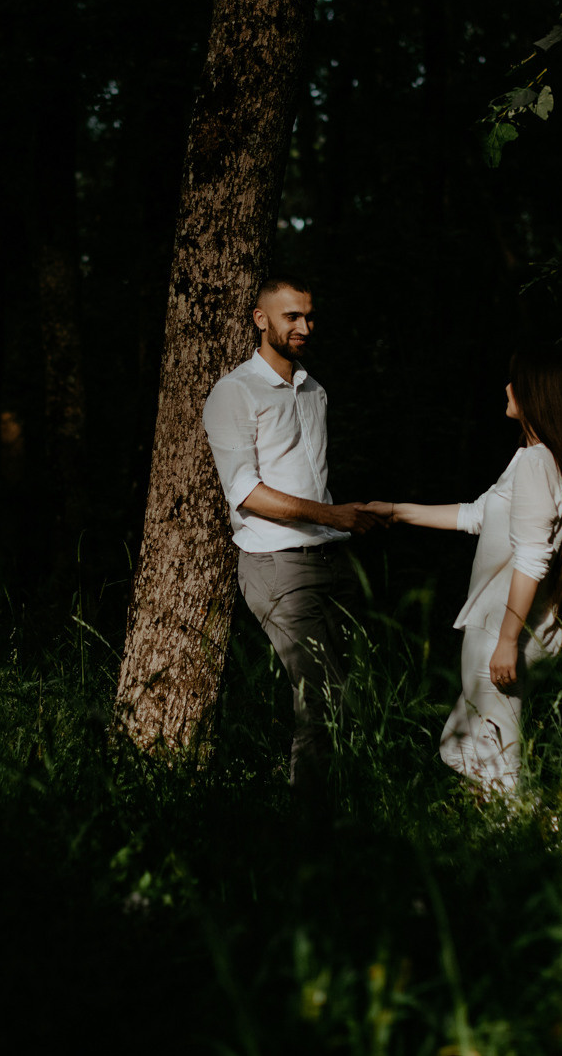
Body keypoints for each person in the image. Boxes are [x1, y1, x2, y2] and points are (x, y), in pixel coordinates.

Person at [363, 348, 562, 793]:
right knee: (478, 751)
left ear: (535, 394)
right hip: (510, 629)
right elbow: (475, 515)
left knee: (497, 768)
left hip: (505, 632)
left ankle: (513, 852)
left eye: (515, 381)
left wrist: (506, 641)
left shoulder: (535, 463)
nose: (506, 388)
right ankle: (491, 852)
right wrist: (395, 511)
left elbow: (531, 558)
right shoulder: (536, 459)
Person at [203, 275, 382, 798]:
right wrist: (332, 515)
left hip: (332, 559)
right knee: (321, 701)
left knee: (357, 693)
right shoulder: (235, 392)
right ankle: (308, 833)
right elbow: (246, 492)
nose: (304, 326)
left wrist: (342, 520)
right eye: (291, 317)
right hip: (277, 564)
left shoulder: (313, 388)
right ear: (261, 320)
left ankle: (354, 814)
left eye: (309, 316)